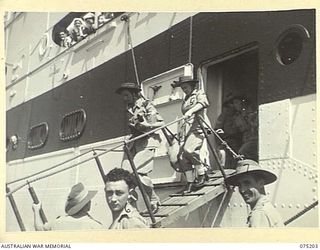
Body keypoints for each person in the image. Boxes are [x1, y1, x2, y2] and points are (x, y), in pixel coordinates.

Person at [115, 82, 164, 213]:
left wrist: (146, 125)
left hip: (148, 141)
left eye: (126, 95)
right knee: (125, 176)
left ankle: (153, 200)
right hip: (134, 143)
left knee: (136, 171)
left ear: (134, 94)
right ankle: (133, 207)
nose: (124, 98)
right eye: (123, 96)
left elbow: (160, 123)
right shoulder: (128, 108)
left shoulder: (146, 104)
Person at [171, 75, 211, 193]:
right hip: (189, 129)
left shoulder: (199, 93)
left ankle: (202, 174)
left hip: (200, 127)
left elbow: (204, 103)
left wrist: (190, 111)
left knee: (189, 150)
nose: (184, 89)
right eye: (182, 88)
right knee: (182, 157)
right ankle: (190, 183)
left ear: (192, 85)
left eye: (186, 87)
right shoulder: (186, 99)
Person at [226, 159, 284, 227]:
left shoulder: (259, 213)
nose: (242, 190)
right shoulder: (266, 207)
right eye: (239, 185)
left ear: (261, 183)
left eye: (247, 183)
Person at [32, 182, 103, 231]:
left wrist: (36, 210)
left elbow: (39, 229)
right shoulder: (95, 227)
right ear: (88, 204)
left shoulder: (56, 223)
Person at [232, 96, 258, 161]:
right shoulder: (237, 116)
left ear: (242, 102)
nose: (235, 105)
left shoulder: (251, 112)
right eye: (234, 103)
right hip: (245, 138)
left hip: (254, 137)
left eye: (237, 102)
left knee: (242, 152)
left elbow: (254, 125)